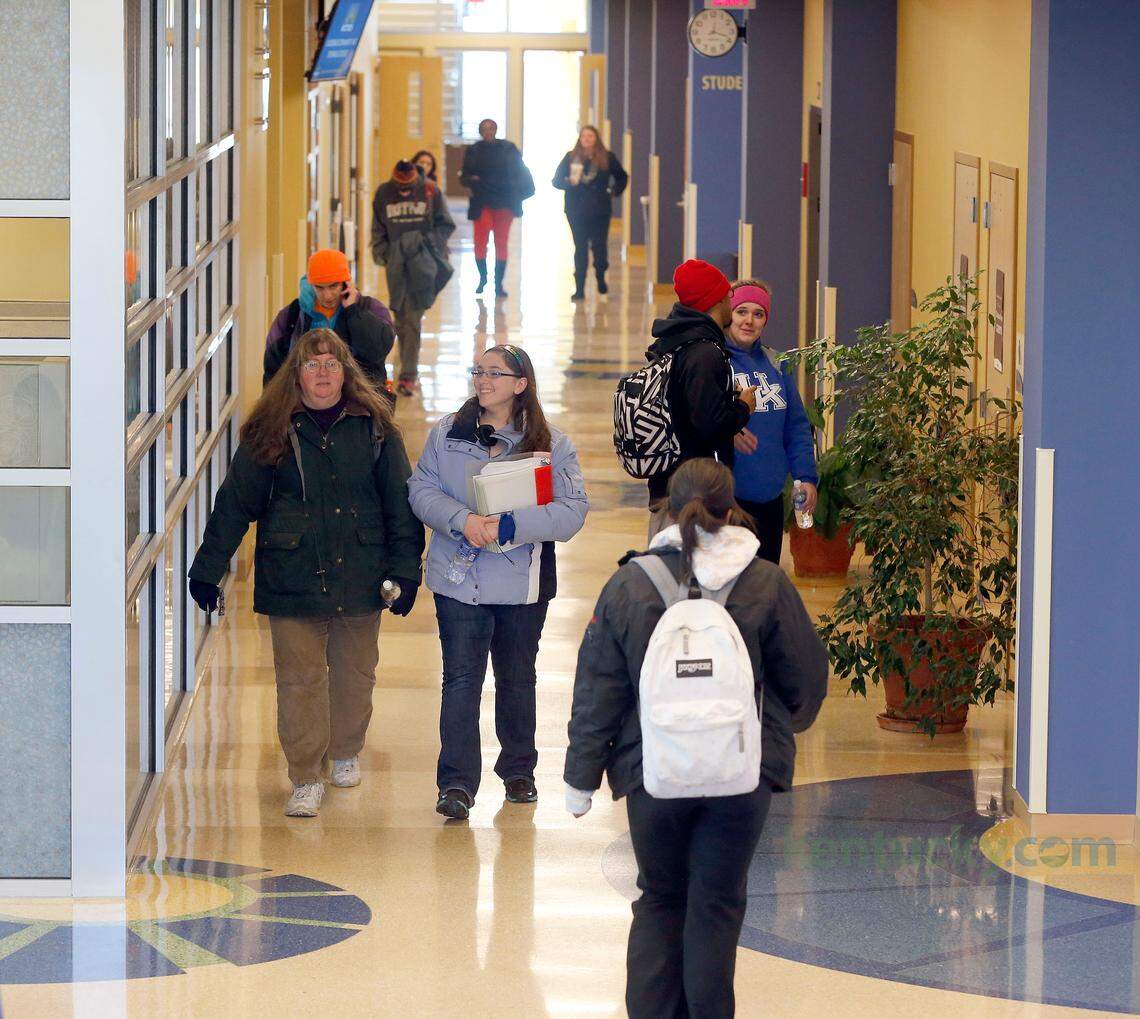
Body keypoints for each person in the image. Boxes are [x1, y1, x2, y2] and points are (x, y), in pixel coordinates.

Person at [563, 458, 828, 1018]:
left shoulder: (630, 584)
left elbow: (599, 689)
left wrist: (581, 776)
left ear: (664, 506)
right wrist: (780, 731)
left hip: (654, 775)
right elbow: (804, 681)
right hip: (740, 774)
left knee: (660, 899)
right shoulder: (765, 582)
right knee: (716, 905)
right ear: (732, 511)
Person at [188, 330, 425, 818]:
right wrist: (208, 569)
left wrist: (405, 571)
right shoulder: (271, 430)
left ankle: (343, 752)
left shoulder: (376, 427)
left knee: (356, 673)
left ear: (346, 372)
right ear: (295, 374)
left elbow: (401, 505)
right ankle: (305, 775)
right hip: (291, 574)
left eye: (332, 364)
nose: (322, 373)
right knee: (299, 679)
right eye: (312, 365)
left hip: (361, 574)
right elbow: (235, 504)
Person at [407, 344, 589, 821]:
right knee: (461, 680)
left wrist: (511, 526)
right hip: (458, 578)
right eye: (478, 371)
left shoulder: (552, 444)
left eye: (495, 373)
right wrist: (462, 519)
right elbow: (421, 489)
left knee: (516, 678)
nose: (483, 380)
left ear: (521, 384)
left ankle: (518, 771)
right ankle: (457, 784)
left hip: (521, 584)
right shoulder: (447, 434)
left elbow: (572, 512)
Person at [645, 259, 758, 535]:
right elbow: (708, 424)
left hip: (669, 484)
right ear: (716, 301)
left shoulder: (674, 341)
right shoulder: (705, 353)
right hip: (693, 497)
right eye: (728, 296)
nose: (731, 302)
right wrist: (743, 407)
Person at [725, 279, 818, 564]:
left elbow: (797, 427)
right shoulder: (714, 361)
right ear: (729, 313)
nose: (749, 321)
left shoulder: (777, 363)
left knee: (764, 584)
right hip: (728, 502)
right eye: (741, 311)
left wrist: (806, 477)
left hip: (770, 500)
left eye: (758, 313)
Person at [371, 159, 456, 398]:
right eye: (400, 188)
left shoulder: (430, 190)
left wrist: (428, 244)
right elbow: (377, 226)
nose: (403, 191)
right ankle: (406, 363)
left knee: (413, 318)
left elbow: (445, 224)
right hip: (396, 266)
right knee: (401, 318)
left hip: (423, 264)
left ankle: (408, 375)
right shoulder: (384, 193)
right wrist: (384, 252)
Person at [264, 249, 395, 399]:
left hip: (359, 404)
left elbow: (378, 351)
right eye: (319, 287)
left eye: (333, 286)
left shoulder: (371, 309)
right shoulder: (291, 316)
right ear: (310, 284)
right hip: (304, 406)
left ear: (345, 283)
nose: (327, 296)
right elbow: (273, 369)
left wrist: (353, 312)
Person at [459, 119, 535, 298]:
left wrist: (520, 192)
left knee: (501, 243)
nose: (488, 131)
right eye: (484, 129)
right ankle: (483, 278)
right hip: (482, 203)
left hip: (505, 203)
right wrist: (473, 180)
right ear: (479, 131)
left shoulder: (509, 149)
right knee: (480, 242)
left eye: (491, 128)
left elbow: (520, 172)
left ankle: (498, 284)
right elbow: (464, 177)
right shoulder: (473, 151)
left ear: (496, 129)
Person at [552, 125, 628, 301]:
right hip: (575, 209)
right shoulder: (571, 157)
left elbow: (622, 176)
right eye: (584, 136)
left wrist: (613, 190)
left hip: (600, 209)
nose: (587, 139)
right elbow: (556, 180)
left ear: (596, 139)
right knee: (580, 248)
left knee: (599, 247)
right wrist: (569, 182)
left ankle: (600, 275)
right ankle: (579, 289)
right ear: (580, 138)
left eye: (590, 136)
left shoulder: (607, 157)